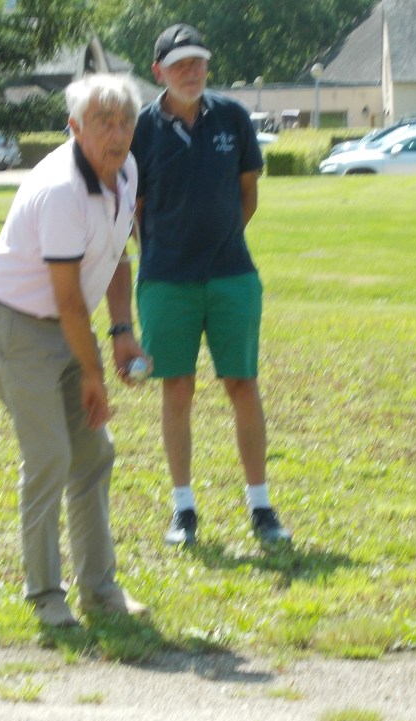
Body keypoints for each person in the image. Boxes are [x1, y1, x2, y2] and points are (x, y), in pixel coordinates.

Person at [0, 74, 150, 627]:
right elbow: (69, 300)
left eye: (125, 122)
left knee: (93, 452)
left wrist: (122, 329)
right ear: (75, 127)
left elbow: (118, 254)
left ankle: (101, 589)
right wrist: (93, 373)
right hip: (17, 330)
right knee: (50, 454)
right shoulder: (60, 191)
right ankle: (46, 595)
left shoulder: (126, 169)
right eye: (103, 123)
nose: (117, 134)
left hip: (67, 327)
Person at [131, 23, 291, 548]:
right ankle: (184, 509)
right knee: (177, 388)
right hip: (165, 282)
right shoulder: (141, 130)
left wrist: (219, 242)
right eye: (179, 64)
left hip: (232, 277)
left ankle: (261, 505)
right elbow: (133, 210)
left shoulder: (233, 118)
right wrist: (165, 251)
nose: (191, 72)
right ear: (158, 71)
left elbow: (248, 194)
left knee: (242, 384)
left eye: (198, 62)